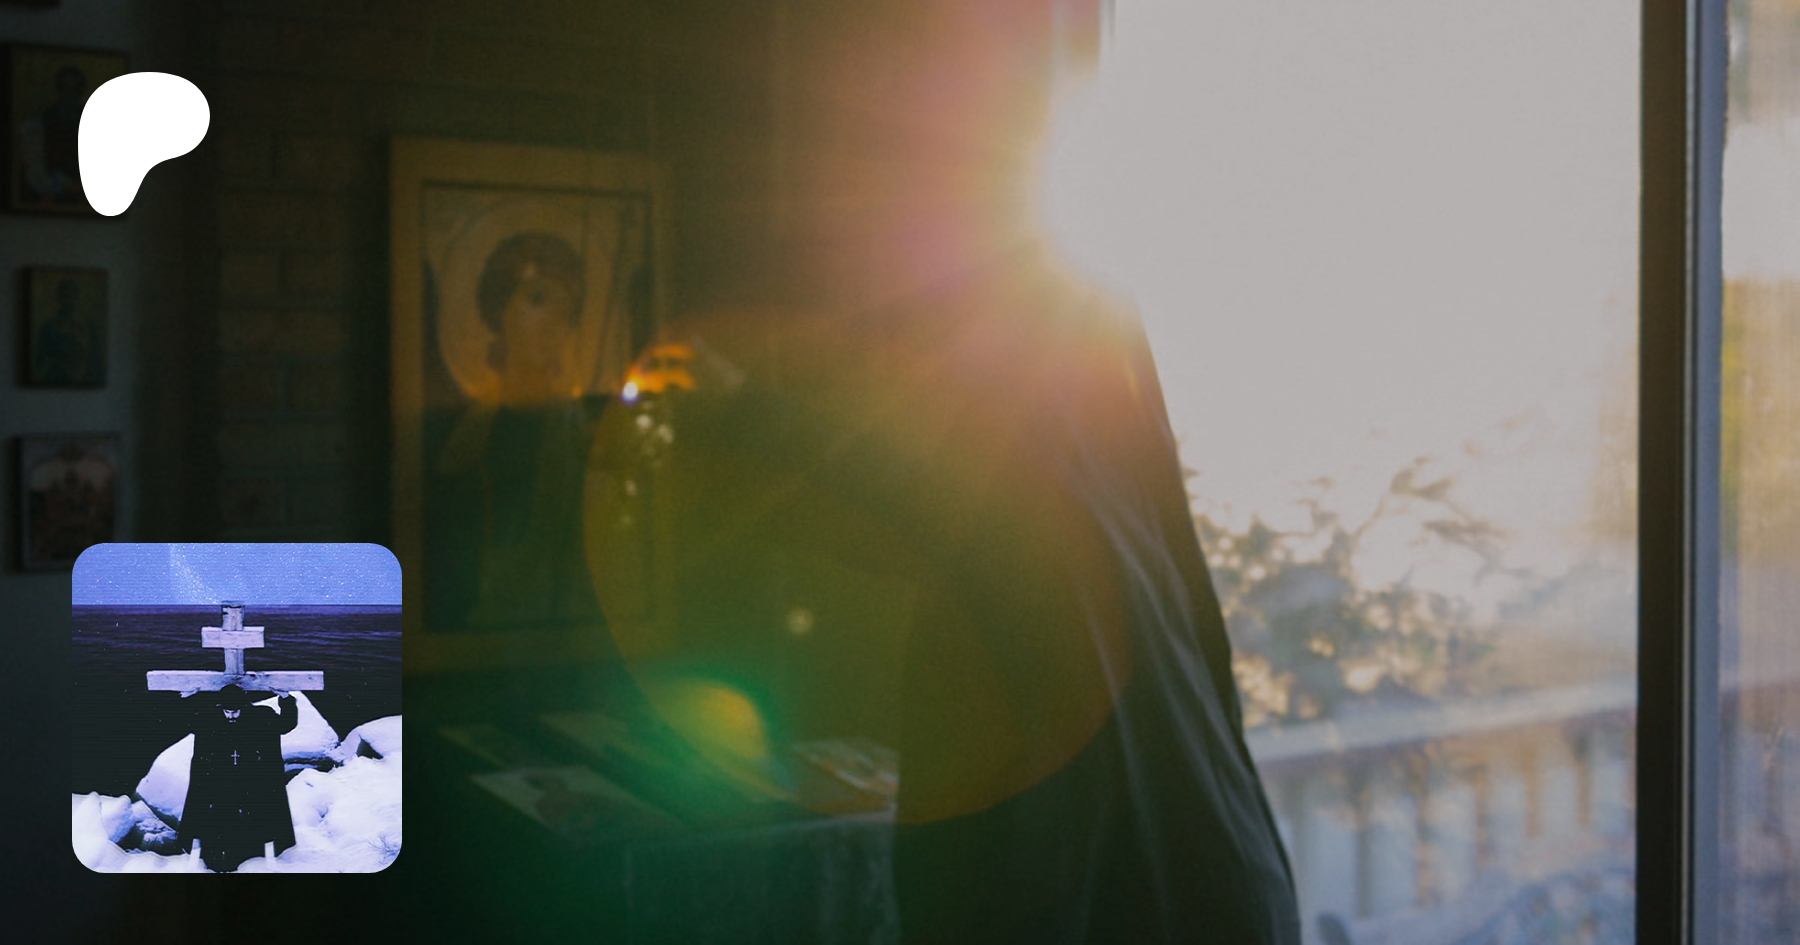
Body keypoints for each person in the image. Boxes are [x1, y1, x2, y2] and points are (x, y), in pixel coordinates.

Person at [181, 685, 298, 872]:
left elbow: (286, 724)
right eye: (227, 712)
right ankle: (218, 858)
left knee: (255, 816)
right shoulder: (208, 717)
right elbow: (187, 722)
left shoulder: (261, 716)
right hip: (220, 779)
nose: (231, 716)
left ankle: (253, 856)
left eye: (235, 711)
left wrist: (286, 699)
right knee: (221, 816)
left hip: (252, 778)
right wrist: (187, 699)